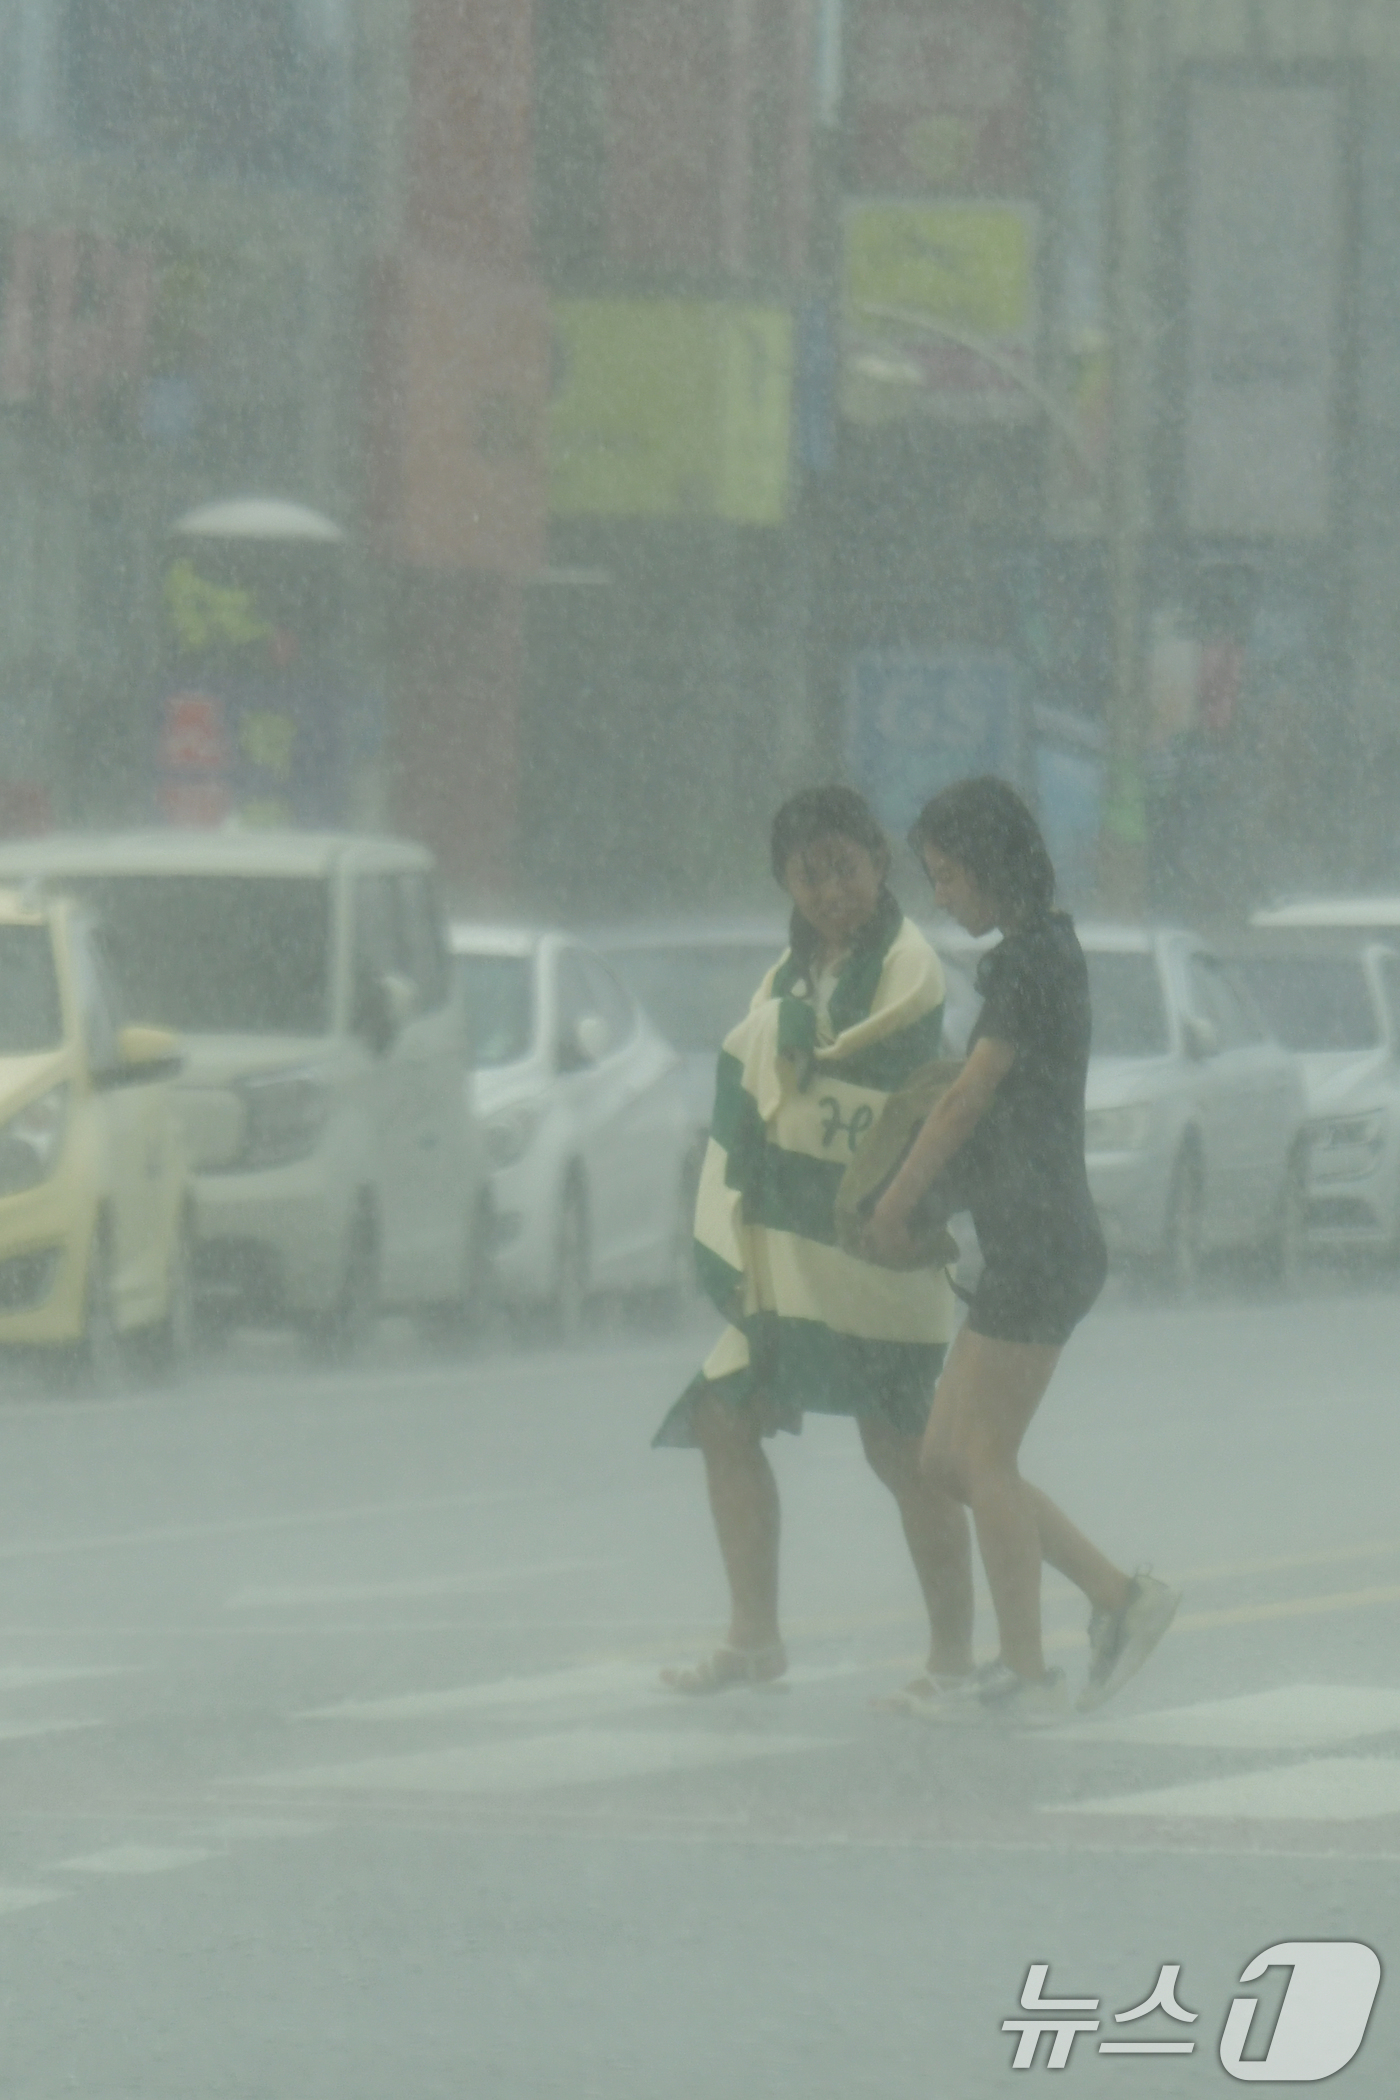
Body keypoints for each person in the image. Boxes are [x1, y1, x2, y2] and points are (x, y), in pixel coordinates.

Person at [865, 777, 1178, 1722]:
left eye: (950, 876)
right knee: (944, 1461)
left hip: (1043, 1242)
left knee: (983, 1459)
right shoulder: (1040, 955)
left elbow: (970, 1097)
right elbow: (1000, 1116)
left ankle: (1023, 1666)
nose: (944, 898)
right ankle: (1123, 1601)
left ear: (994, 866)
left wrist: (899, 1201)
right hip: (1029, 1238)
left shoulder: (1031, 962)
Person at [655, 787, 975, 1695]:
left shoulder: (910, 967)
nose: (831, 890)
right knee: (724, 1418)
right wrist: (778, 1038)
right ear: (785, 885)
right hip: (787, 1260)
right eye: (810, 875)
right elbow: (768, 1068)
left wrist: (785, 1043)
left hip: (876, 1254)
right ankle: (754, 1639)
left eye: (845, 867)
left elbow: (843, 1057)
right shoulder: (780, 985)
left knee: (901, 1452)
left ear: (878, 864)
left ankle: (953, 1656)